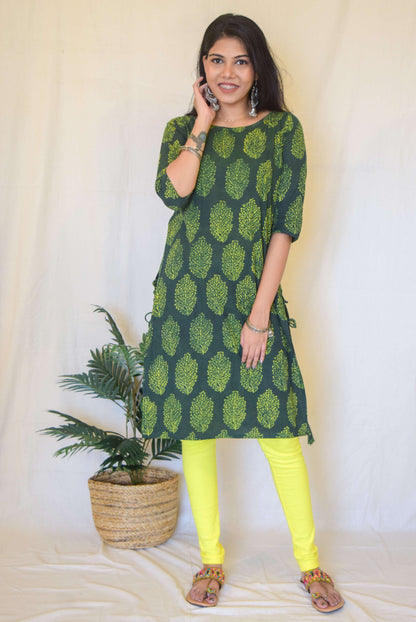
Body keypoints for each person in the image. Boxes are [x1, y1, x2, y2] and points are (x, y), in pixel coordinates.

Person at [141, 13, 344, 614]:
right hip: (186, 303)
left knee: (279, 433)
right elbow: (172, 192)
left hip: (248, 303)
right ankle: (210, 559)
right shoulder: (181, 129)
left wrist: (260, 318)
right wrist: (202, 123)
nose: (227, 72)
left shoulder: (282, 132)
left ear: (258, 69)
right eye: (216, 60)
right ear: (202, 67)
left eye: (240, 60)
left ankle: (309, 565)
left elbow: (284, 225)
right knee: (196, 433)